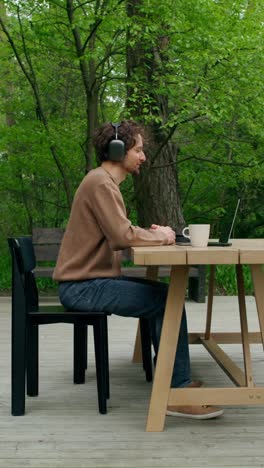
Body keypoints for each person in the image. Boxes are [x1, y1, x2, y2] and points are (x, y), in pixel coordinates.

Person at [53, 120, 223, 420]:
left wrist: (152, 233)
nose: (143, 157)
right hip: (83, 287)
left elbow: (121, 231)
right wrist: (161, 236)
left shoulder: (103, 183)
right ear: (118, 150)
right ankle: (177, 391)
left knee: (167, 295)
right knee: (167, 300)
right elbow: (122, 237)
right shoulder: (101, 183)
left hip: (88, 283)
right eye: (138, 150)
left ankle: (174, 382)